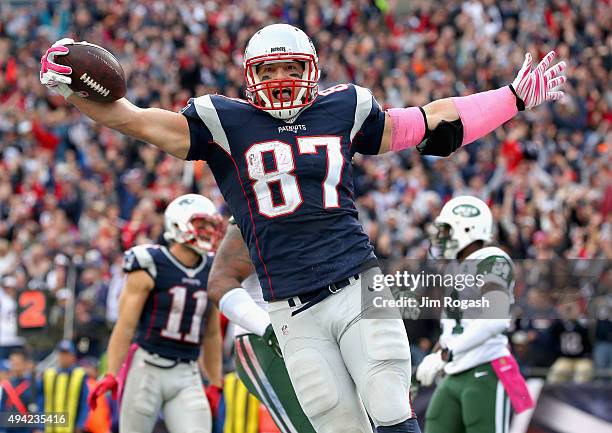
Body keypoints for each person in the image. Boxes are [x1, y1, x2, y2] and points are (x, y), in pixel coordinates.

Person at [40, 23, 566, 433]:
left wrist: (512, 99)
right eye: (269, 71)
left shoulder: (345, 108)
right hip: (290, 308)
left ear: (312, 69)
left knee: (390, 407)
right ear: (251, 76)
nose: (280, 80)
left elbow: (433, 120)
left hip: (358, 285)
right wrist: (72, 89)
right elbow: (129, 117)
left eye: (290, 68)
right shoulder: (223, 122)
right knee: (337, 424)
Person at [86, 194, 224, 433]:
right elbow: (125, 327)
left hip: (187, 371)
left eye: (211, 225)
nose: (208, 231)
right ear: (178, 225)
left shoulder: (212, 269)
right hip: (146, 368)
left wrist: (215, 382)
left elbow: (211, 334)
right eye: (201, 225)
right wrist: (111, 373)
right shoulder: (149, 263)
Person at [416, 196, 532, 433]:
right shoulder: (454, 267)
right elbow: (458, 324)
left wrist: (446, 353)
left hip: (486, 367)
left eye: (447, 229)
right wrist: (439, 350)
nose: (441, 237)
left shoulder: (492, 260)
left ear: (467, 228)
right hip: (455, 371)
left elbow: (495, 318)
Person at [207, 216, 315, 433]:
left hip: (313, 335)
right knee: (308, 428)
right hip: (265, 339)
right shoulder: (257, 210)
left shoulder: (328, 207)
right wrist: (267, 327)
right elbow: (218, 284)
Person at [40, 340, 89, 433]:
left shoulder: (79, 375)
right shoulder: (49, 375)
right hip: (50, 428)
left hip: (71, 428)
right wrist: (40, 426)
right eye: (62, 354)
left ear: (73, 356)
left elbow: (84, 403)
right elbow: (41, 401)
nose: (64, 358)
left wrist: (80, 424)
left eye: (67, 354)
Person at [0, 350, 38, 433]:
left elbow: (37, 406)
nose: (15, 366)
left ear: (24, 363)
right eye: (13, 363)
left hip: (26, 428)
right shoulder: (6, 384)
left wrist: (37, 427)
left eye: (18, 363)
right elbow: (3, 408)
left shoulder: (33, 383)